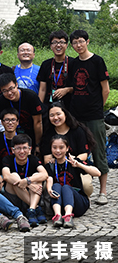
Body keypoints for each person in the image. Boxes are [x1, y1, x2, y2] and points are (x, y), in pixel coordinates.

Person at [63, 30, 110, 204]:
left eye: (81, 41)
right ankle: (79, 187)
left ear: (87, 42)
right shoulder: (73, 63)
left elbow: (105, 89)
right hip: (76, 115)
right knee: (77, 151)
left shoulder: (97, 61)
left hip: (94, 115)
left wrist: (98, 108)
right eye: (75, 43)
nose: (78, 45)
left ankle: (103, 192)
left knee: (98, 151)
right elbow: (74, 87)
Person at [47, 134, 101, 227]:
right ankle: (58, 215)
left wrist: (79, 165)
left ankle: (68, 216)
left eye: (61, 147)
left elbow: (97, 173)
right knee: (56, 186)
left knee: (66, 187)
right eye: (54, 147)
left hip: (78, 203)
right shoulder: (50, 165)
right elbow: (49, 179)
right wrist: (49, 190)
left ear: (67, 148)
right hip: (59, 203)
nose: (58, 151)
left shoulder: (73, 162)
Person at [0, 134, 47, 226]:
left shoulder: (33, 159)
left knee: (37, 176)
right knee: (14, 176)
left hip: (30, 195)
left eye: (25, 148)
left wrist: (28, 180)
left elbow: (45, 174)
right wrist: (27, 183)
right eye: (18, 148)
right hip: (14, 199)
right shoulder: (7, 159)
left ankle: (31, 210)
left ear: (30, 149)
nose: (22, 151)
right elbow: (6, 176)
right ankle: (36, 208)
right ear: (13, 150)